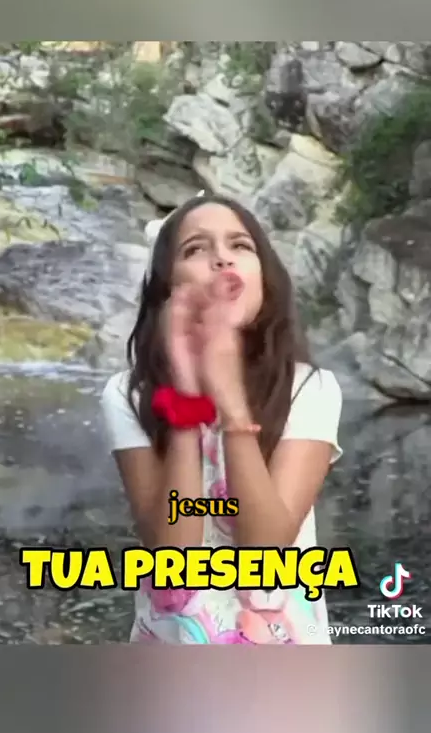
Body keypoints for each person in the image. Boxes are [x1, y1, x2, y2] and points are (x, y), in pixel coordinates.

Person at [101, 191, 343, 644]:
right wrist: (186, 401)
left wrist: (232, 409)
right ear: (166, 286)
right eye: (195, 248)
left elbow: (266, 554)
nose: (221, 258)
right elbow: (173, 557)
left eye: (240, 245)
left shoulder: (309, 388)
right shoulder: (127, 396)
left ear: (265, 279)